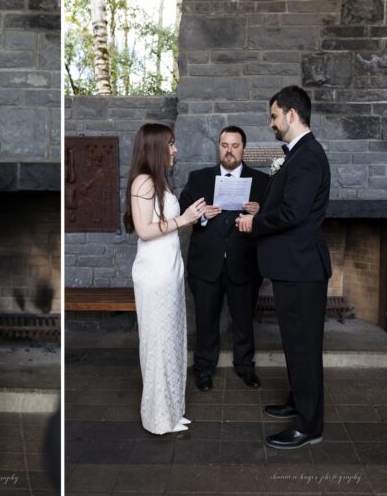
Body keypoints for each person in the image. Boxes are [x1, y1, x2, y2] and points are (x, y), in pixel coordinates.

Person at [236, 85, 331, 450]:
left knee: (304, 347)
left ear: (292, 114)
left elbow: (294, 214)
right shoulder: (297, 154)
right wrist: (263, 210)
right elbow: (290, 205)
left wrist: (254, 224)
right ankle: (298, 402)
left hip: (302, 268)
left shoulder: (307, 156)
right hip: (294, 266)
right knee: (295, 344)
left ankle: (309, 425)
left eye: (275, 116)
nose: (272, 123)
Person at [124, 123, 205, 436]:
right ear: (156, 147)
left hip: (168, 271)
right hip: (154, 274)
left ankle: (171, 412)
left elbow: (162, 222)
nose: (175, 149)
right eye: (170, 144)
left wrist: (193, 215)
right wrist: (183, 219)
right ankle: (158, 418)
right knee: (158, 345)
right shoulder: (143, 182)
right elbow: (144, 230)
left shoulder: (160, 181)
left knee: (171, 340)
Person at [179, 126, 269, 392]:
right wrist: (202, 213)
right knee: (206, 321)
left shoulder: (262, 182)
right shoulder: (199, 179)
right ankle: (204, 370)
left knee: (243, 320)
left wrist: (260, 212)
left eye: (235, 145)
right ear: (218, 147)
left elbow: (276, 219)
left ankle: (245, 368)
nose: (229, 150)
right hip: (206, 264)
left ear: (244, 148)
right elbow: (182, 214)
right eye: (224, 145)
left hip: (245, 263)